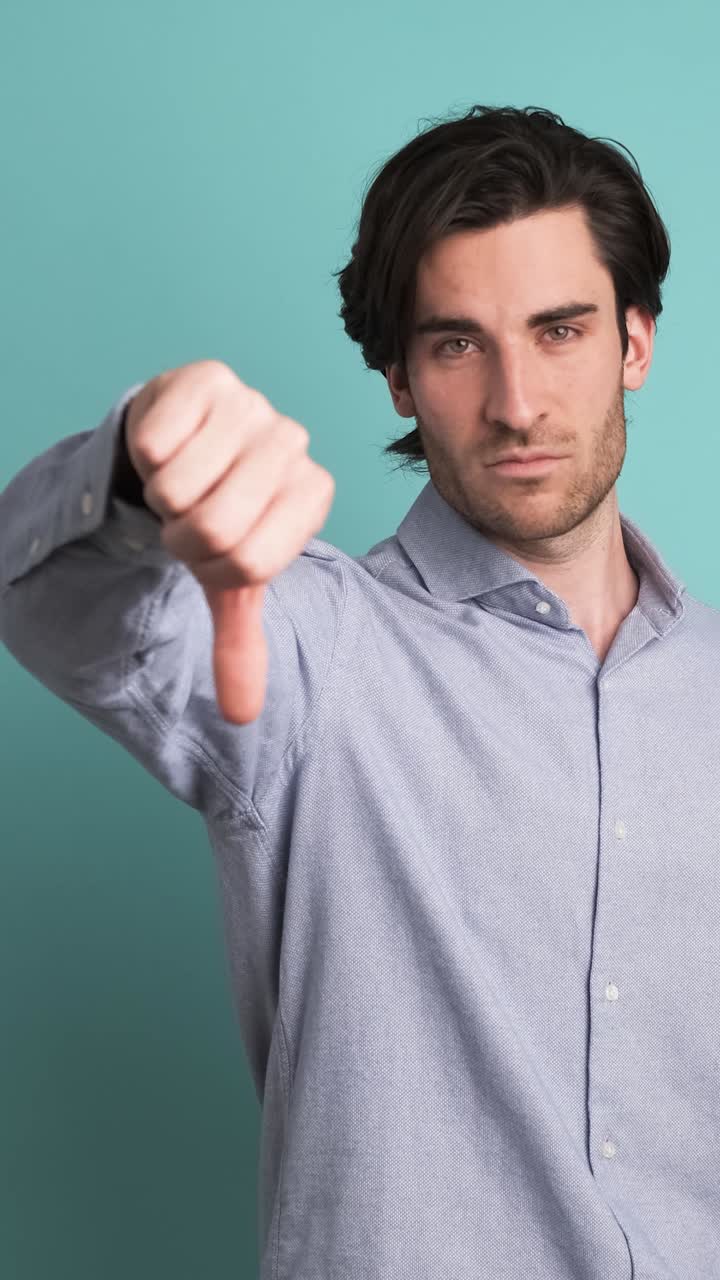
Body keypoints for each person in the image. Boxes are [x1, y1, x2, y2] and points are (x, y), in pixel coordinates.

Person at [0, 103, 714, 1280]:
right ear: (396, 379)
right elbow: (50, 600)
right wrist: (137, 463)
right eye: (455, 343)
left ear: (635, 342)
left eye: (561, 330)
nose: (518, 401)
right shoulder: (313, 643)